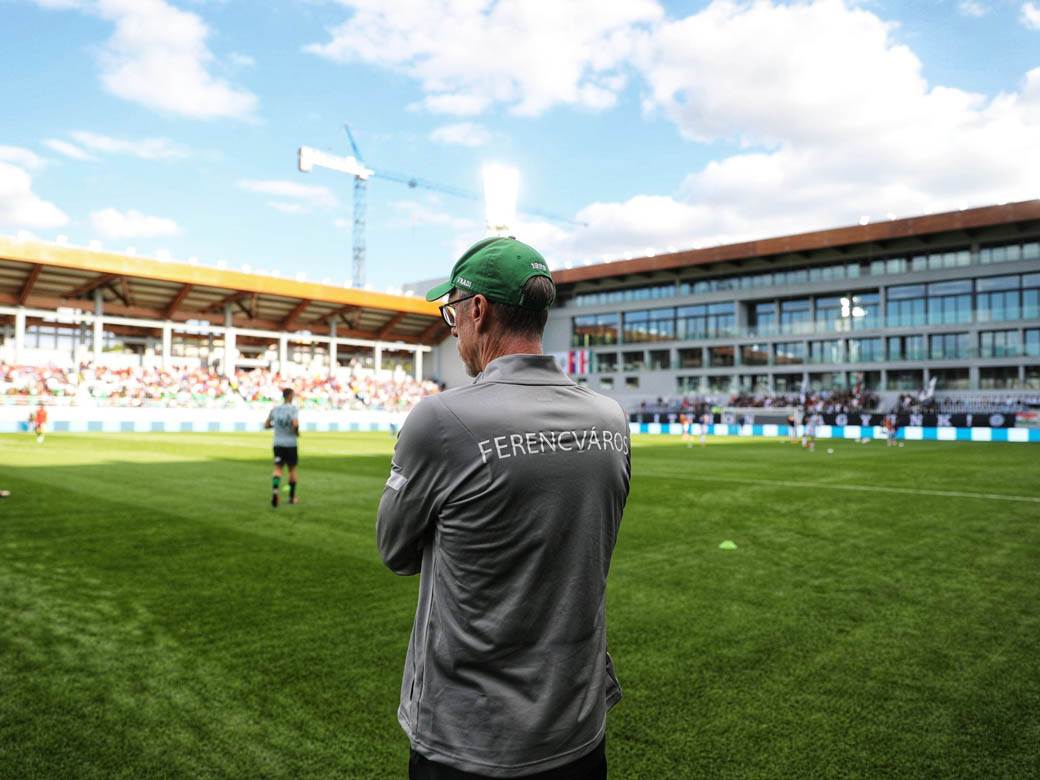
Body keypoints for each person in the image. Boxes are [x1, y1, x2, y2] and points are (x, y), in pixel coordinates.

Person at [376, 237, 631, 779]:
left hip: (469, 736)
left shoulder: (440, 420)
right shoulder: (611, 420)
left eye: (451, 314)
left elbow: (395, 551)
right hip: (577, 730)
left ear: (478, 310)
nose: (454, 330)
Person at [264, 387, 299, 507]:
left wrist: (277, 426)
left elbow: (267, 425)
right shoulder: (293, 409)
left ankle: (275, 491)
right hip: (290, 443)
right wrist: (296, 432)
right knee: (292, 470)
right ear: (290, 396)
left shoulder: (275, 409)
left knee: (278, 469)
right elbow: (295, 424)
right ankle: (292, 497)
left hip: (277, 443)